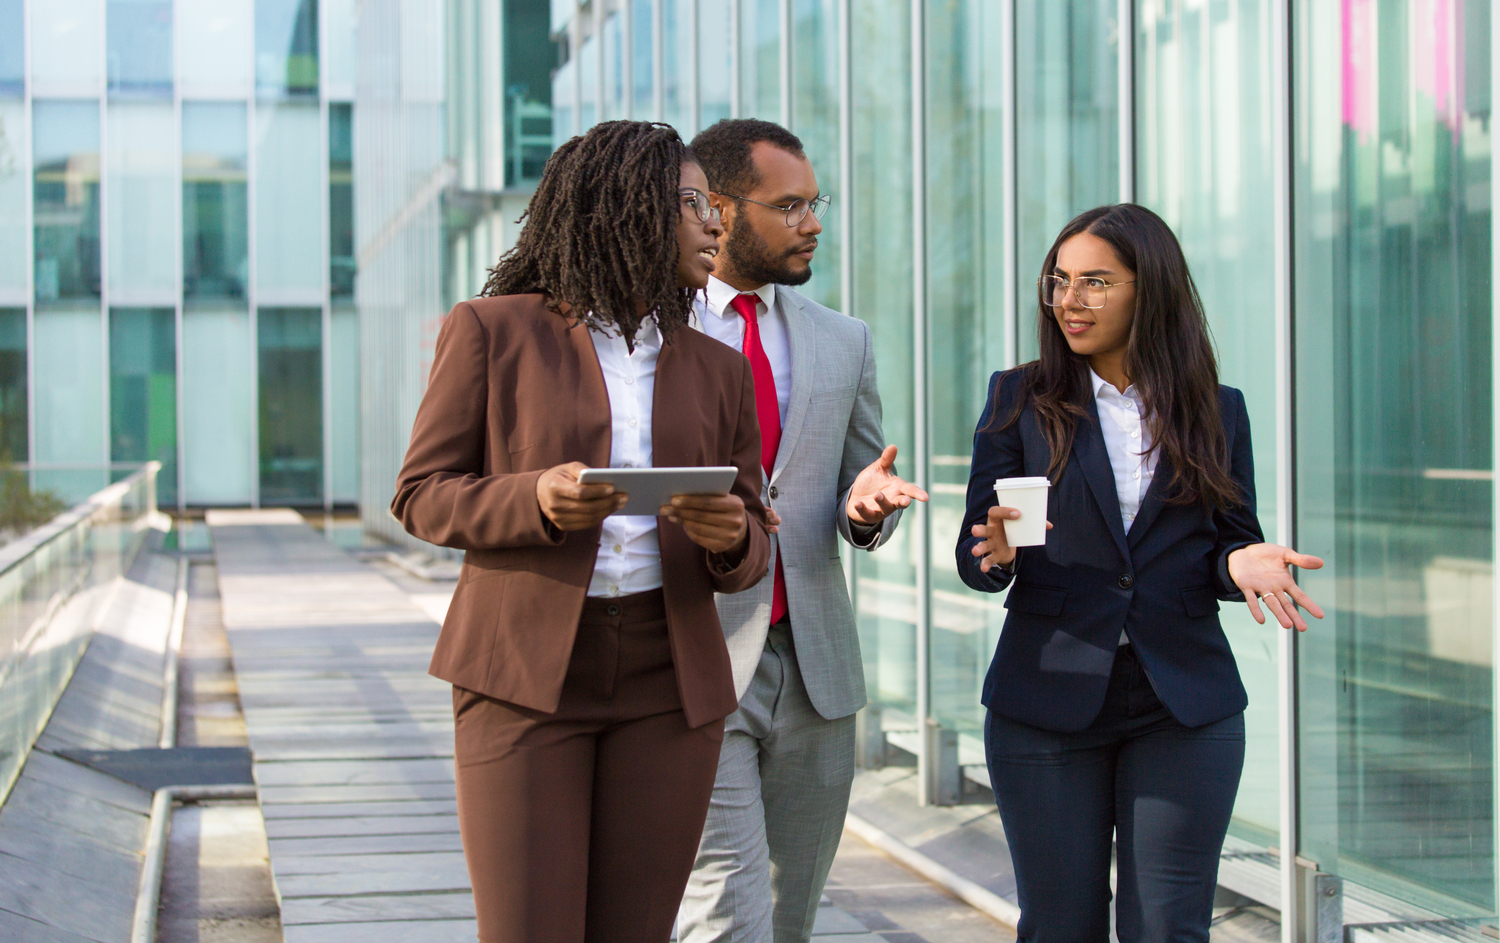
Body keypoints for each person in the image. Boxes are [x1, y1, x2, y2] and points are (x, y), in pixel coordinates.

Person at [390, 120, 771, 943]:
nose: (716, 223)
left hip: (669, 686)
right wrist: (534, 498)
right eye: (695, 203)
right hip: (523, 677)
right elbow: (421, 494)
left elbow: (753, 546)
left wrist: (730, 531)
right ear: (626, 207)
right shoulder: (492, 331)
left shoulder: (720, 368)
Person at [955, 203, 1324, 942]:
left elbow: (1225, 544)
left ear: (1148, 290)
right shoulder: (1017, 397)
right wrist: (989, 554)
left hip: (1182, 702)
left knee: (1169, 928)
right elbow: (978, 552)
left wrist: (1240, 560)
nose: (1069, 299)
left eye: (1096, 281)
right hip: (1047, 699)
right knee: (1062, 927)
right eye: (1059, 281)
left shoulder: (1217, 410)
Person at [677, 118, 928, 943]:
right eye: (790, 205)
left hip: (815, 667)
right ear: (719, 208)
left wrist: (866, 508)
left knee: (789, 916)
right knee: (724, 907)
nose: (813, 221)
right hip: (697, 655)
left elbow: (860, 481)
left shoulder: (842, 340)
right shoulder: (654, 330)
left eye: (814, 202)